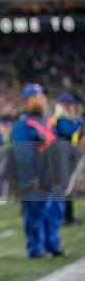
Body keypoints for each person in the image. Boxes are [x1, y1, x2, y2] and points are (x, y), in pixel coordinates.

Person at [11, 84, 66, 258]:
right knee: (36, 214)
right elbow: (23, 153)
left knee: (54, 213)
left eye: (43, 96)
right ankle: (36, 249)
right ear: (29, 101)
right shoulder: (23, 125)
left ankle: (53, 245)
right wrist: (29, 177)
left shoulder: (48, 121)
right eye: (39, 96)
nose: (43, 99)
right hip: (37, 177)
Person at [51, 92, 83, 225]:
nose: (72, 106)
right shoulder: (60, 117)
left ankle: (68, 216)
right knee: (65, 186)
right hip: (62, 152)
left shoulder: (62, 116)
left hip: (64, 152)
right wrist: (79, 122)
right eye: (69, 104)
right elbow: (68, 132)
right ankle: (64, 216)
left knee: (68, 185)